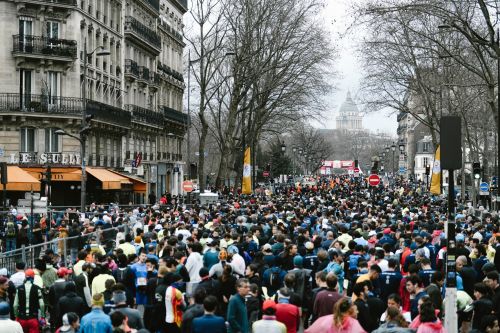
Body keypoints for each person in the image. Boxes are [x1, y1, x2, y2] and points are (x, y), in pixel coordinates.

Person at [14, 268, 45, 333]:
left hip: (22, 318)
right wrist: (42, 316)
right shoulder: (37, 289)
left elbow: (15, 305)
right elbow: (42, 304)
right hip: (33, 318)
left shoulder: (19, 289)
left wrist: (16, 316)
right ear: (33, 277)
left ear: (25, 277)